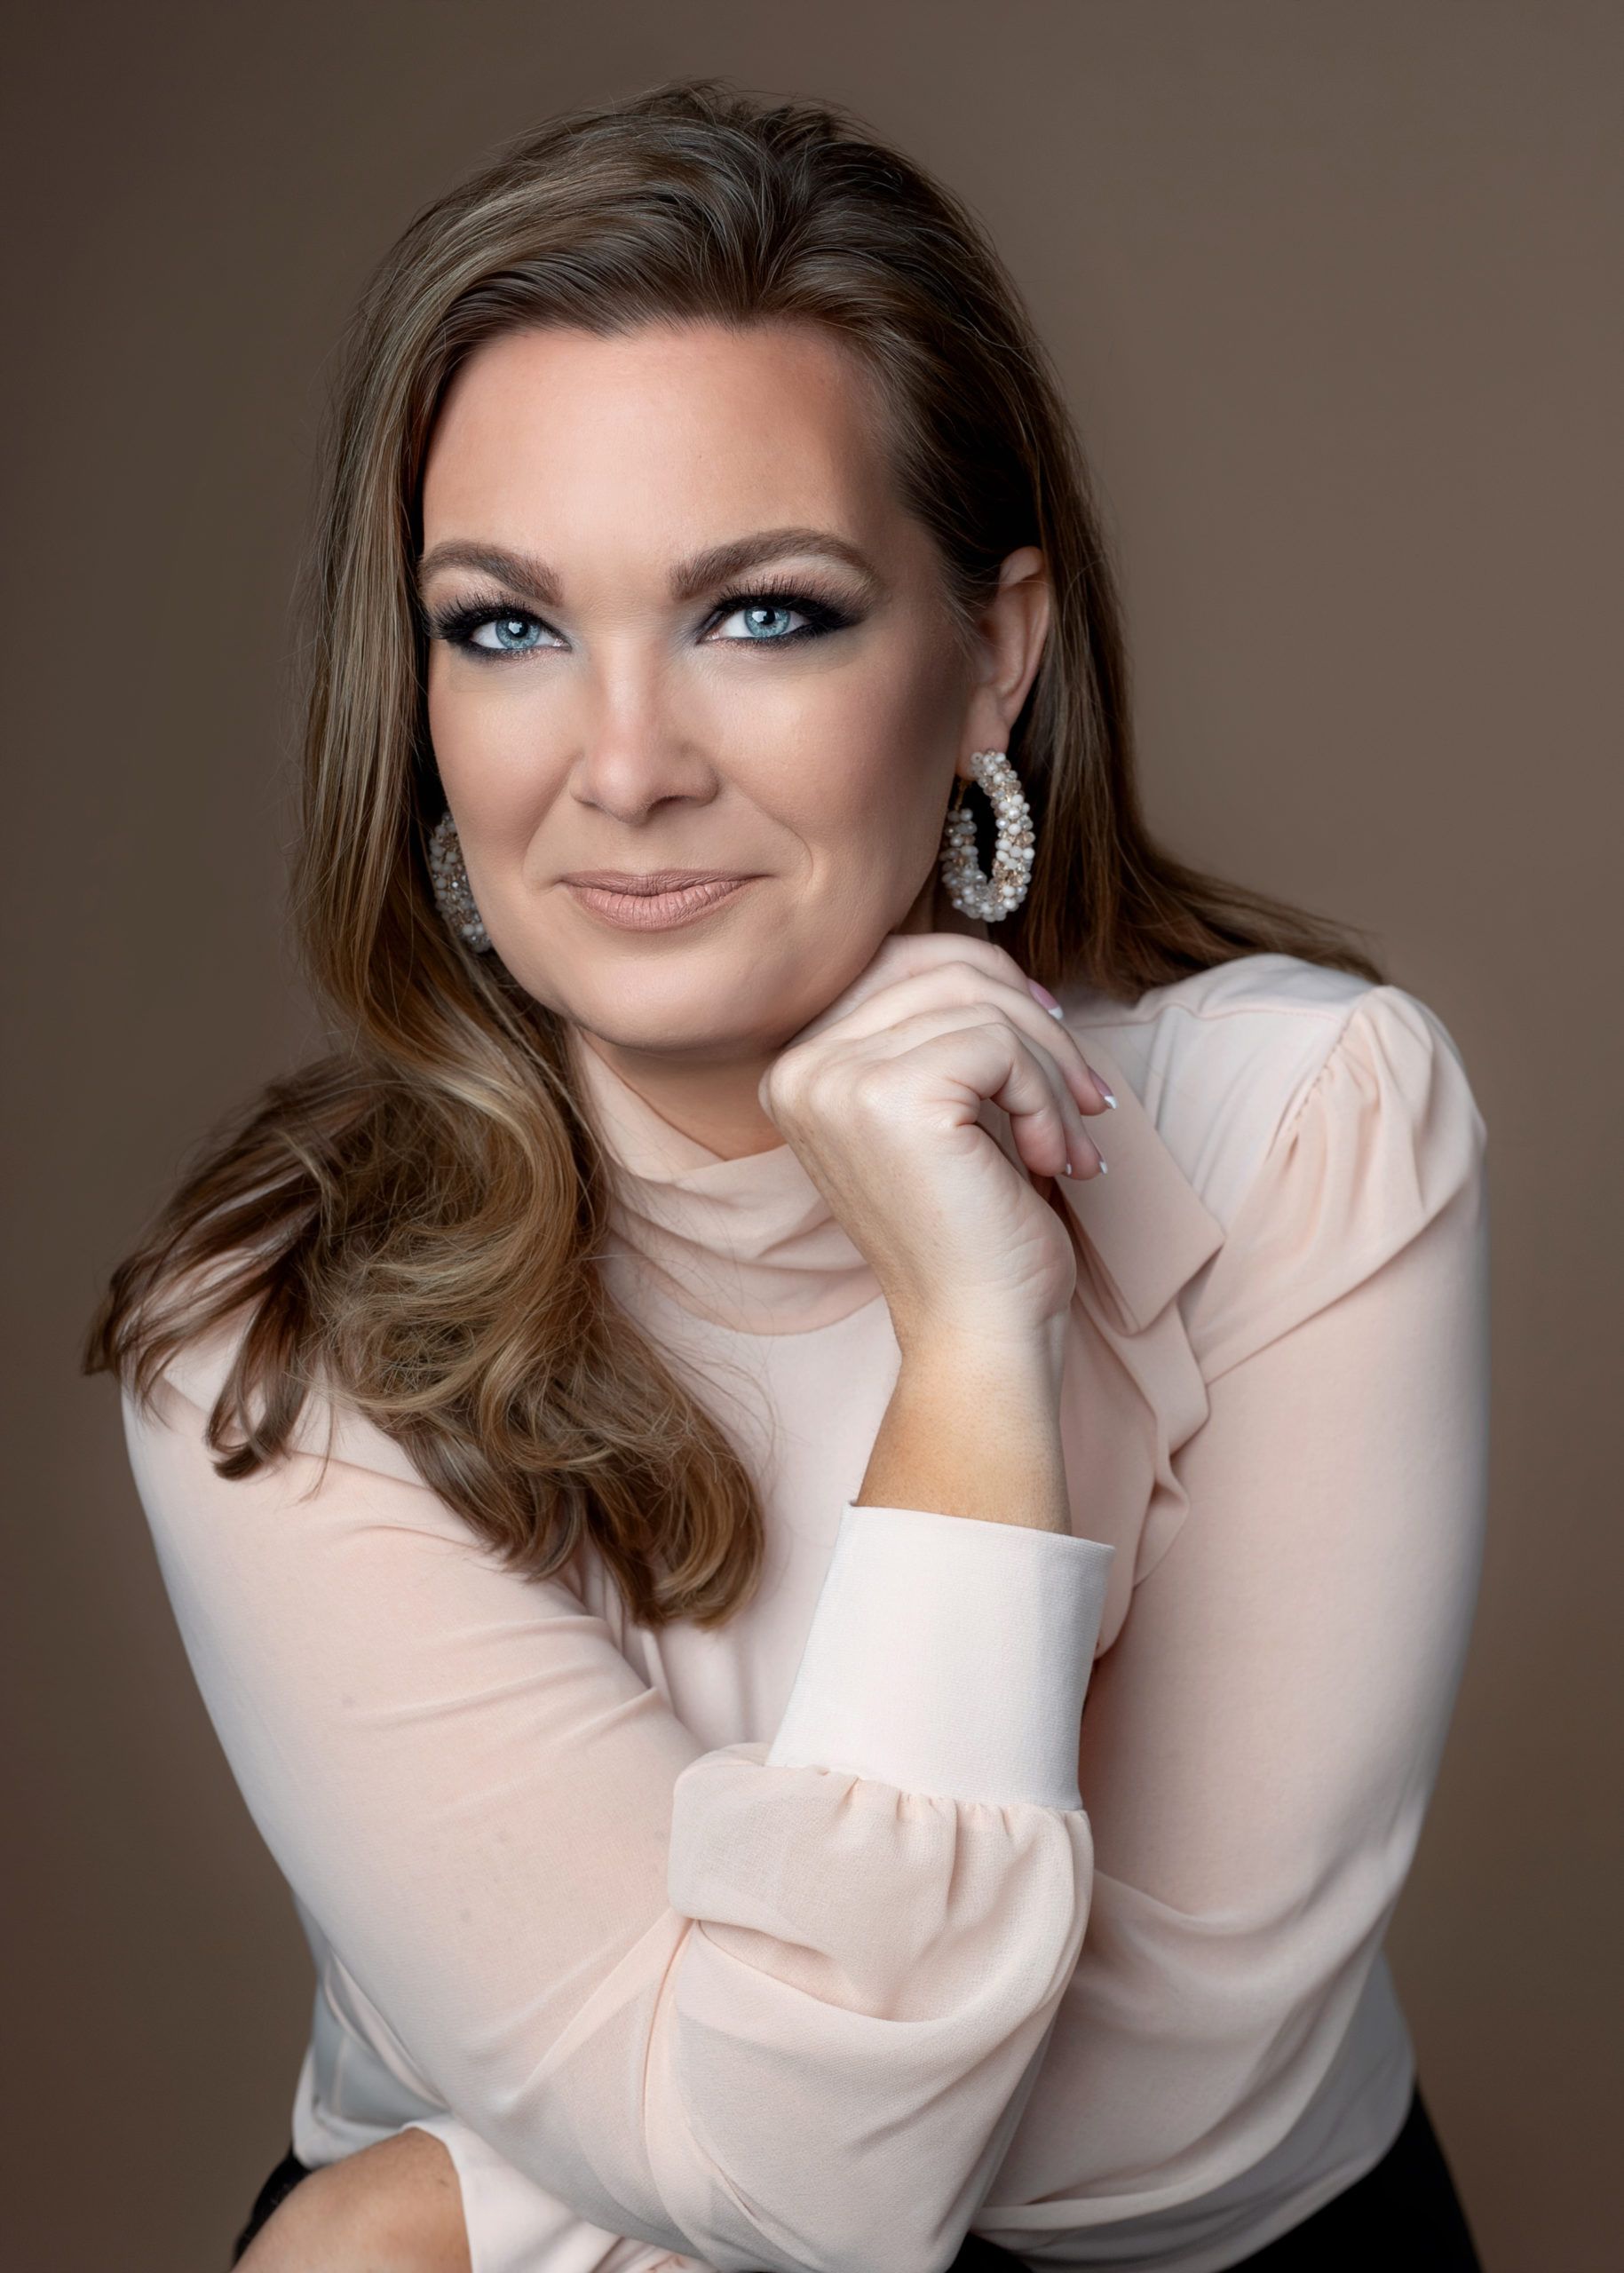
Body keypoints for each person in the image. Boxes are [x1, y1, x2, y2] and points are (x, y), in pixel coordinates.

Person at [83, 75, 1488, 2273]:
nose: (625, 763)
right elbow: (805, 2180)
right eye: (507, 625)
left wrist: (447, 2200)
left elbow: (1171, 2112)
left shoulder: (1308, 1121)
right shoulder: (269, 1333)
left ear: (993, 656)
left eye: (762, 613)